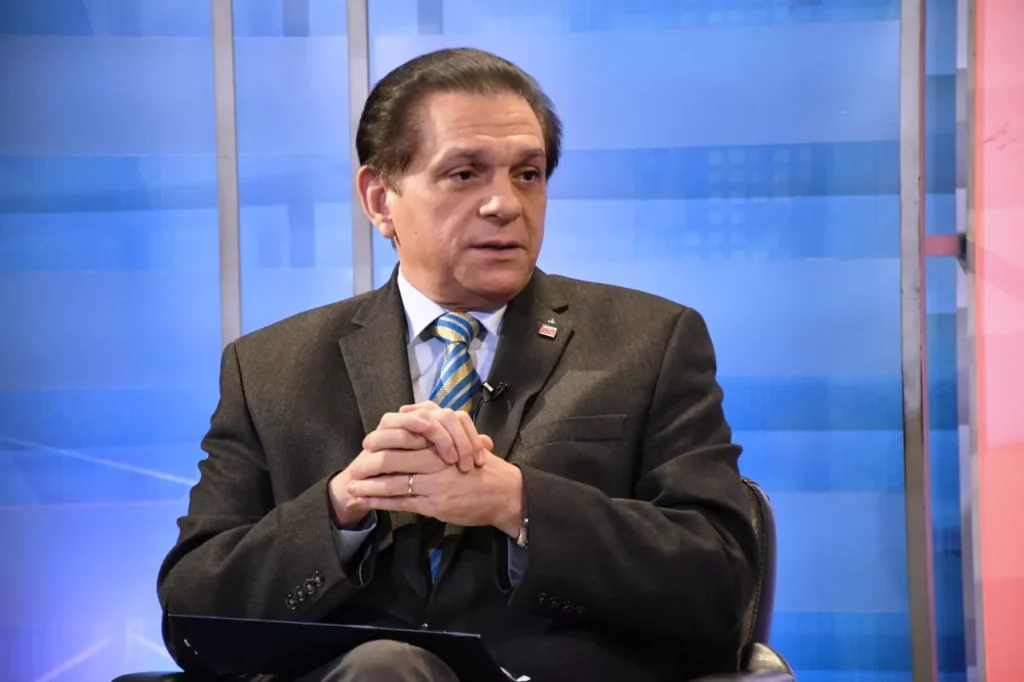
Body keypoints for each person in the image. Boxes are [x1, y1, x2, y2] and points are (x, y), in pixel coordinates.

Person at [157, 47, 758, 682]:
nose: (505, 204)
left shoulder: (649, 342)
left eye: (527, 175)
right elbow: (193, 616)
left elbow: (720, 583)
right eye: (465, 174)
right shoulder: (270, 368)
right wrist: (342, 506)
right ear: (379, 199)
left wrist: (518, 503)